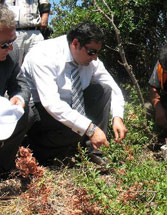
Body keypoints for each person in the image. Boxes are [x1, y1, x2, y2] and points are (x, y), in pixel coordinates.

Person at [22, 22, 127, 165]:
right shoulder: (44, 54)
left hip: (68, 107)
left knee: (103, 90)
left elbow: (112, 87)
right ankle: (41, 147)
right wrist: (90, 128)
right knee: (75, 130)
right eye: (91, 52)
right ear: (75, 43)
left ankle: (93, 150)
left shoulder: (91, 59)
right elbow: (52, 104)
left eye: (98, 52)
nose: (95, 57)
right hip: (40, 111)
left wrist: (117, 117)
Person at [0, 4, 32, 174]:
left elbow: (21, 84)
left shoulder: (11, 55)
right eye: (4, 44)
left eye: (12, 41)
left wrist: (19, 98)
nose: (11, 48)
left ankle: (3, 167)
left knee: (26, 113)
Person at [4, 0, 51, 65]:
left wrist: (45, 18)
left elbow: (45, 4)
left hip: (35, 32)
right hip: (14, 32)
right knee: (13, 63)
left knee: (38, 62)